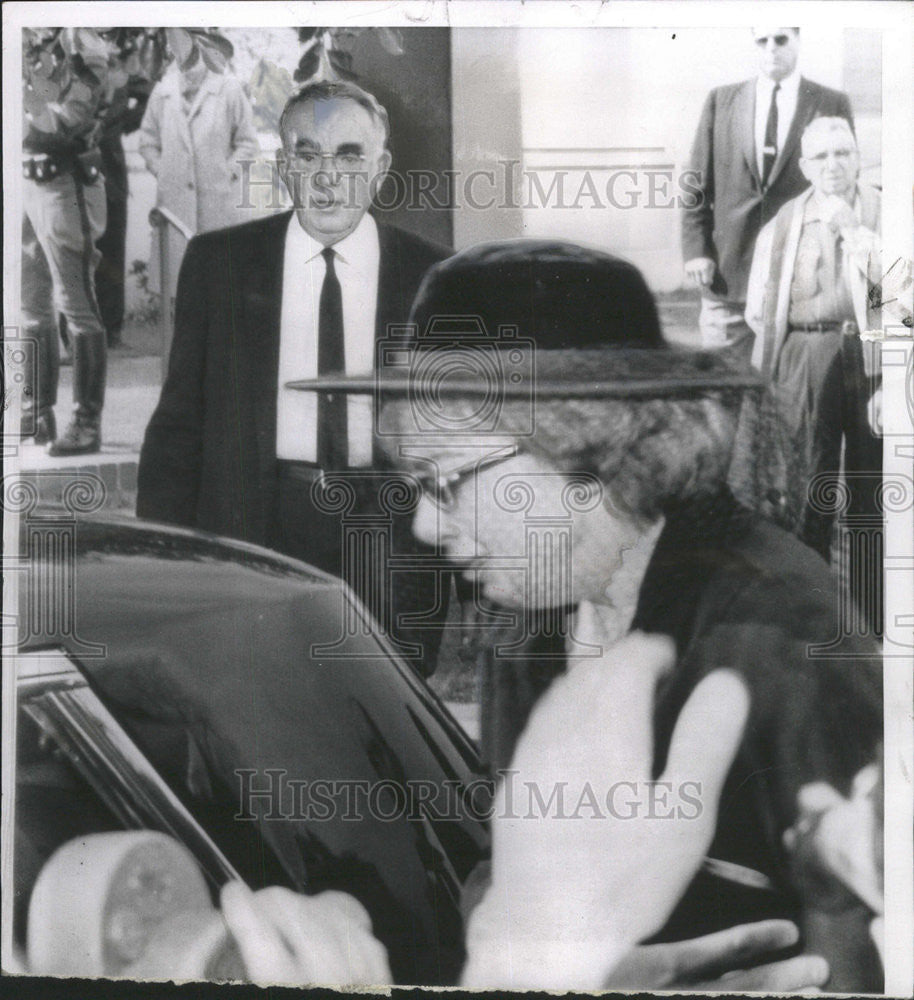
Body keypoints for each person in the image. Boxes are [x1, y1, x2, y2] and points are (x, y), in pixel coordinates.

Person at [331, 239, 880, 991]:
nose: (426, 527)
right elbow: (512, 853)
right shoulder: (528, 615)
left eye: (447, 481)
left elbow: (858, 941)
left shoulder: (779, 629)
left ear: (589, 452)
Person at [137, 80, 451, 676]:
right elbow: (178, 426)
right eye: (308, 155)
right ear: (284, 167)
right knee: (256, 703)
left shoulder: (433, 275)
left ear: (380, 168)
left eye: (350, 156)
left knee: (386, 717)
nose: (328, 177)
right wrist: (167, 563)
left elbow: (460, 435)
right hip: (258, 524)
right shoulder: (219, 264)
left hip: (386, 534)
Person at [746, 117, 882, 633]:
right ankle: (809, 620)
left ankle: (871, 623)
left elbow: (903, 304)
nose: (833, 165)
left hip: (871, 355)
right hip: (804, 354)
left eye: (842, 153)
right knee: (807, 486)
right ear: (803, 166)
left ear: (858, 155)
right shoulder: (782, 224)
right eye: (821, 157)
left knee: (872, 490)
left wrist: (857, 235)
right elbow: (760, 310)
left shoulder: (886, 210)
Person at [681, 27, 853, 362]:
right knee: (724, 382)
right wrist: (695, 249)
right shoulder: (721, 100)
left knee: (790, 386)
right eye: (763, 40)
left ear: (798, 40)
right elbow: (695, 182)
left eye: (781, 39)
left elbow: (844, 182)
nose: (771, 48)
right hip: (729, 273)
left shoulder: (830, 102)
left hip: (802, 275)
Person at [21, 27, 111, 456]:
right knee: (30, 303)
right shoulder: (26, 36)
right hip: (26, 182)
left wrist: (23, 104)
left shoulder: (84, 43)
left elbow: (69, 118)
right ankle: (37, 410)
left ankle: (86, 422)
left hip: (64, 182)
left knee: (76, 303)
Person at [138, 44, 259, 299]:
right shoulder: (163, 91)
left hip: (218, 204)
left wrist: (228, 172)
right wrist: (163, 171)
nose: (186, 61)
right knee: (180, 288)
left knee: (219, 288)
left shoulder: (229, 89)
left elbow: (248, 142)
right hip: (175, 205)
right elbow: (148, 142)